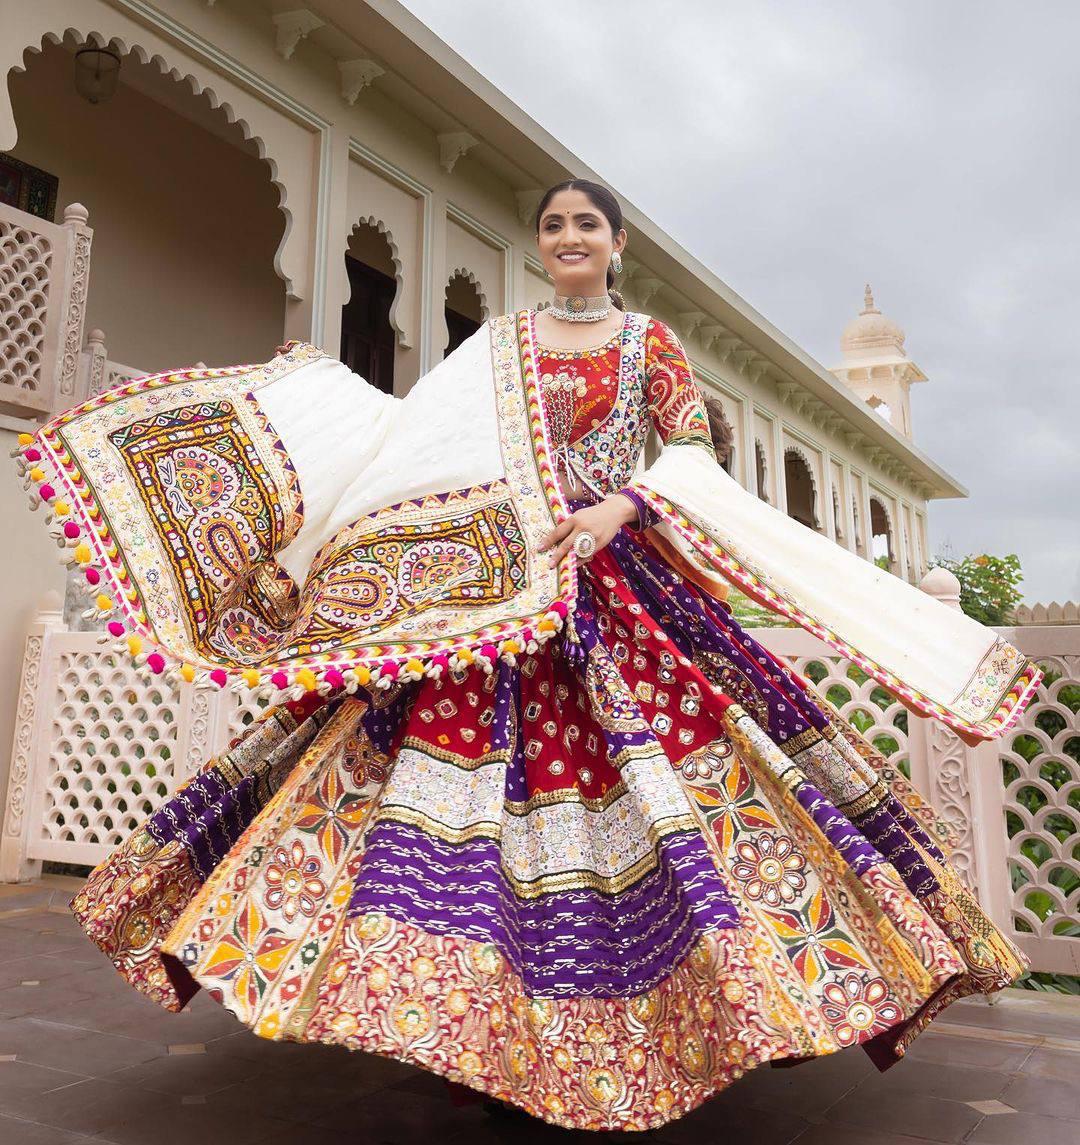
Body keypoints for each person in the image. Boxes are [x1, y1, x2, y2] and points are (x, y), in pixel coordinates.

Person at [18, 179, 1040, 1134]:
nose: (568, 240)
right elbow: (420, 440)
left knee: (672, 777)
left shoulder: (648, 343)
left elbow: (689, 451)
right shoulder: (500, 343)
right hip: (487, 592)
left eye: (586, 226)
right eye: (553, 227)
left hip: (617, 581)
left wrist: (619, 507)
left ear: (617, 243)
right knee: (432, 787)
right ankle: (468, 1012)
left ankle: (681, 1002)